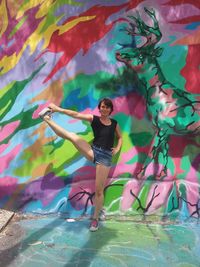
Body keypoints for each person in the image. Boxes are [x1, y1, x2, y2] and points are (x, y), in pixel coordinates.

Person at [39, 98, 122, 231]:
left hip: (105, 157)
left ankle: (95, 219)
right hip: (93, 151)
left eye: (107, 107)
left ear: (110, 109)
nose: (104, 109)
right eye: (102, 107)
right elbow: (76, 115)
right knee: (72, 136)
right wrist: (58, 109)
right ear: (99, 108)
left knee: (99, 191)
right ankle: (47, 119)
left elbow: (120, 137)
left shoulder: (114, 123)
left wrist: (117, 148)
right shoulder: (93, 119)